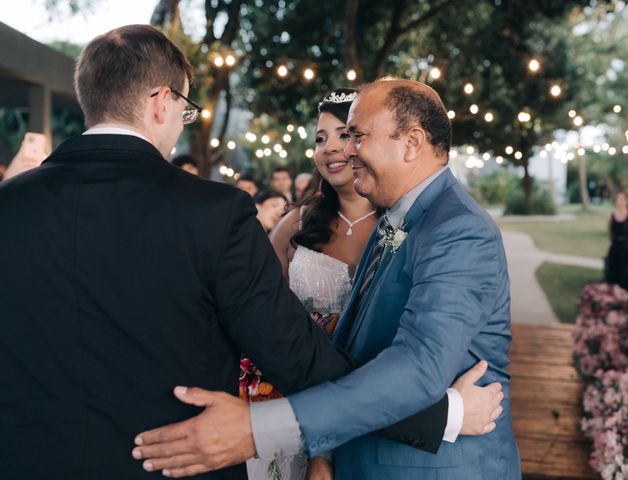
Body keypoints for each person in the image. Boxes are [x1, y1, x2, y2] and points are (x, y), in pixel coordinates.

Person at [0, 25, 358, 480]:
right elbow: (300, 360)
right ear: (160, 101)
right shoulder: (216, 213)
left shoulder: (7, 206)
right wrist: (438, 411)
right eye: (185, 111)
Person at [133, 79, 518, 479]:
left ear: (412, 142)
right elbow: (351, 351)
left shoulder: (458, 231)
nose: (347, 149)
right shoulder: (394, 219)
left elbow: (418, 369)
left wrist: (258, 429)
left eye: (358, 136)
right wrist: (328, 452)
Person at [605, 191, 628, 289]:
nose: (619, 201)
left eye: (621, 199)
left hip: (627, 249)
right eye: (617, 199)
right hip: (615, 248)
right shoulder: (611, 217)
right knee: (614, 272)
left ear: (626, 201)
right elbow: (610, 233)